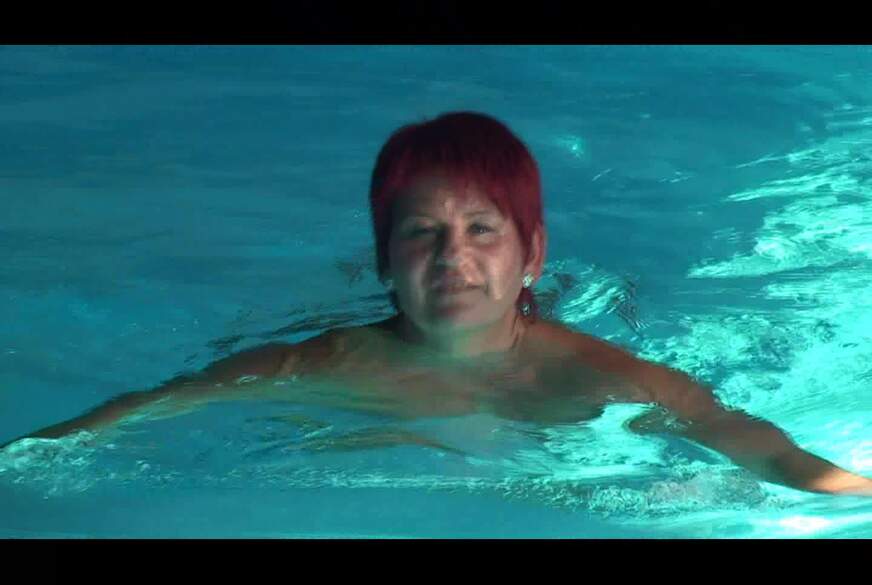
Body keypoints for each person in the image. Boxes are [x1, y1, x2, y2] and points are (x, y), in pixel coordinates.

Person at [5, 112, 871, 497]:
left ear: (532, 255)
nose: (452, 257)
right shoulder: (321, 362)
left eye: (482, 230)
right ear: (386, 263)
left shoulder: (602, 378)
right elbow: (150, 404)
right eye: (421, 233)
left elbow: (757, 444)